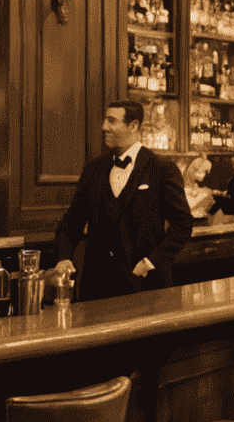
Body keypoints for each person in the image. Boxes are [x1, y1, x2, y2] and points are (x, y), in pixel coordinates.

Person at [53, 100, 192, 302]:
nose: (104, 127)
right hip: (97, 287)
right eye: (105, 120)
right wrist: (64, 257)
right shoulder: (94, 169)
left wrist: (151, 261)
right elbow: (70, 222)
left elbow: (183, 224)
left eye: (111, 121)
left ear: (133, 125)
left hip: (145, 287)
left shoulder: (162, 169)